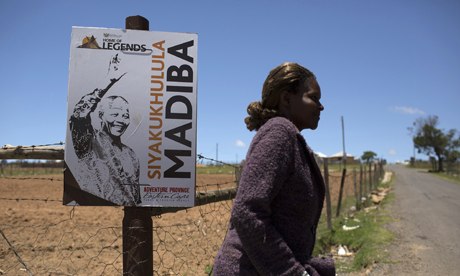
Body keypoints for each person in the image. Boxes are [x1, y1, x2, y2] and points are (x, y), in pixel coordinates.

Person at [212, 62, 335, 275]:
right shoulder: (279, 132)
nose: (321, 106)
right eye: (314, 98)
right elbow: (247, 211)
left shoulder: (292, 139)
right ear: (287, 99)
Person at [69, 75, 141, 206]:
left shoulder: (131, 154)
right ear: (101, 115)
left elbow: (136, 197)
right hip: (95, 213)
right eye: (114, 114)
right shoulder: (89, 142)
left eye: (125, 116)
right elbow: (79, 114)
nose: (121, 120)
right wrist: (109, 81)